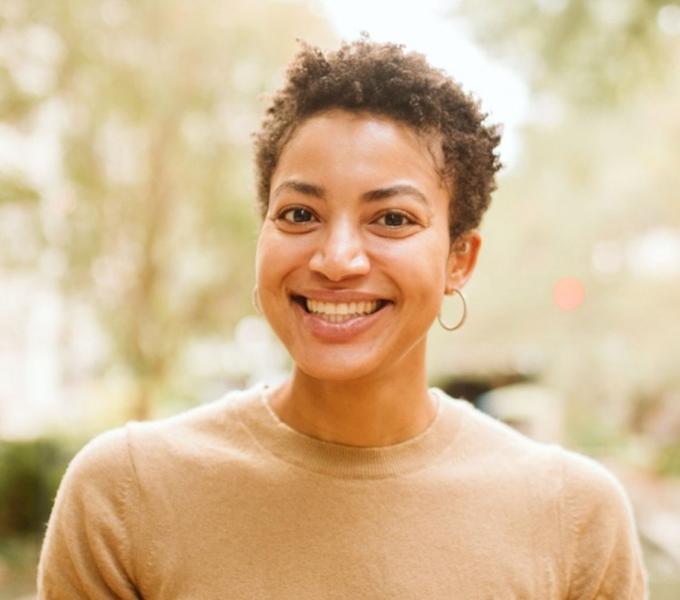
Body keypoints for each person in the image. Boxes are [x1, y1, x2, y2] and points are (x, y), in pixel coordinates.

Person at [37, 39, 647, 598]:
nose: (336, 259)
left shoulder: (574, 516)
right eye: (300, 215)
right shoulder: (126, 492)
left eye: (392, 220)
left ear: (459, 259)